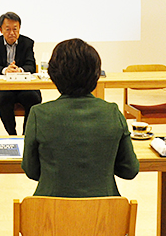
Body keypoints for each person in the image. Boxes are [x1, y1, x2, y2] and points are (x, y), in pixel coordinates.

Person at [21, 38, 139, 197]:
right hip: (104, 216)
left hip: (51, 215)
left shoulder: (39, 115)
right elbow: (129, 170)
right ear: (96, 74)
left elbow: (31, 170)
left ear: (54, 75)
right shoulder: (112, 113)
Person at [0, 12, 42, 135]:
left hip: (24, 86)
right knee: (3, 99)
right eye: (8, 29)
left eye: (15, 29)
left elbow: (31, 65)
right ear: (1, 30)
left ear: (19, 28)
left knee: (34, 98)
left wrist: (19, 70)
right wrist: (6, 70)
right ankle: (12, 134)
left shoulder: (27, 43)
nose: (12, 33)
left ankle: (26, 135)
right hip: (4, 87)